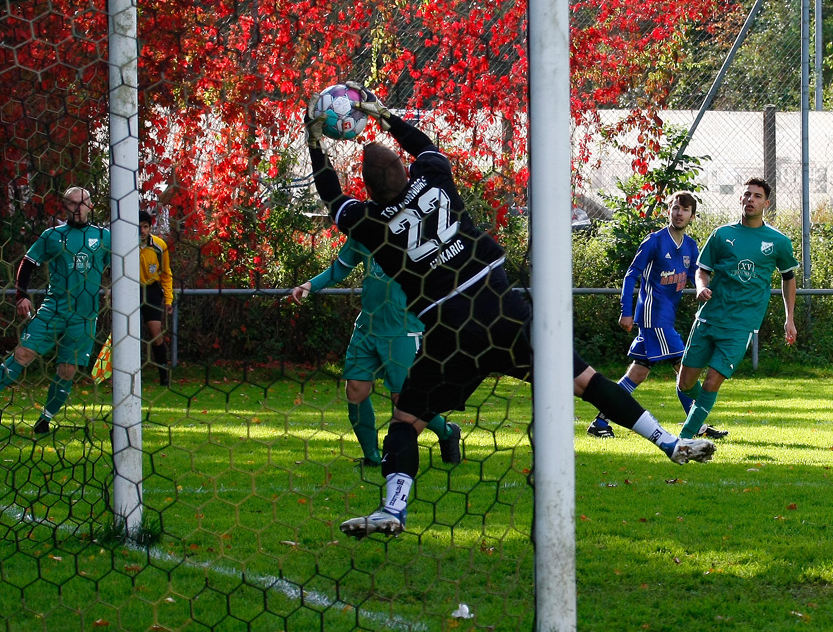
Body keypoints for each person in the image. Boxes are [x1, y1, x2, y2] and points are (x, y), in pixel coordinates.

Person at [304, 83, 716, 539]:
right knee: (585, 381)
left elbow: (330, 195)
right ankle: (667, 441)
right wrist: (385, 118)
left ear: (368, 192)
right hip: (504, 311)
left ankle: (393, 509)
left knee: (406, 421)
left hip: (448, 334)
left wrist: (314, 141)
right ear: (406, 169)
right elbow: (425, 146)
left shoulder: (370, 222)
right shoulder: (434, 179)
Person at [290, 237, 462, 467]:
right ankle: (373, 457)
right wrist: (309, 285)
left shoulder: (417, 230)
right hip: (367, 328)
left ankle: (447, 432)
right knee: (355, 390)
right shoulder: (363, 229)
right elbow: (341, 266)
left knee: (404, 399)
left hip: (404, 329)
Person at [0, 186, 111, 435]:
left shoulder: (104, 236)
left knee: (67, 370)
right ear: (65, 206)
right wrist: (21, 295)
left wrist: (111, 287)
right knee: (23, 354)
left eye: (83, 203)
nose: (78, 208)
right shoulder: (52, 235)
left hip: (85, 316)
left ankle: (45, 419)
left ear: (91, 205)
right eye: (73, 203)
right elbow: (28, 263)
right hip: (53, 309)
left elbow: (115, 266)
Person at [586, 191, 728, 439]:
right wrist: (626, 312)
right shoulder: (655, 241)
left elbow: (700, 274)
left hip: (665, 317)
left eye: (685, 210)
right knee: (684, 368)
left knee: (637, 374)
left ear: (692, 216)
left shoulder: (691, 246)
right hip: (653, 316)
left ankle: (600, 422)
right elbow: (631, 275)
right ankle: (697, 425)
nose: (679, 213)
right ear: (668, 211)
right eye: (675, 208)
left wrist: (706, 289)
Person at [676, 178, 798, 439]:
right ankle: (701, 414)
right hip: (709, 317)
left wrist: (790, 318)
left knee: (712, 382)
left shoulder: (778, 241)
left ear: (766, 203)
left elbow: (788, 277)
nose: (750, 199)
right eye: (747, 195)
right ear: (740, 199)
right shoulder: (722, 234)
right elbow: (702, 270)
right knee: (685, 384)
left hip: (742, 324)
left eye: (757, 196)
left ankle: (684, 438)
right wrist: (700, 287)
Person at [139, 210, 174, 386]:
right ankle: (129, 374)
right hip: (129, 289)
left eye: (145, 227)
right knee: (127, 334)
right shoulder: (124, 245)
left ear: (150, 227)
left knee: (155, 333)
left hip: (151, 290)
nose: (142, 231)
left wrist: (168, 299)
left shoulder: (159, 246)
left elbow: (166, 274)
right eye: (138, 227)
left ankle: (163, 375)